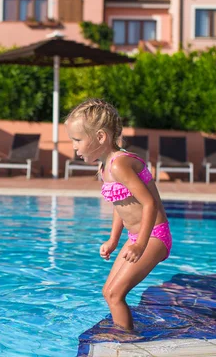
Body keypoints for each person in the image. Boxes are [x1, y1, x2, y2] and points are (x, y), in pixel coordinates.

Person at [65, 98, 172, 330]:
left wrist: (140, 244)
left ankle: (126, 341)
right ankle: (124, 332)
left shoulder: (119, 164)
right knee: (108, 292)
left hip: (153, 235)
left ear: (100, 137)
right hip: (136, 238)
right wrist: (113, 240)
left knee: (115, 295)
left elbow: (149, 204)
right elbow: (119, 205)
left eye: (77, 140)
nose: (74, 146)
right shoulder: (104, 167)